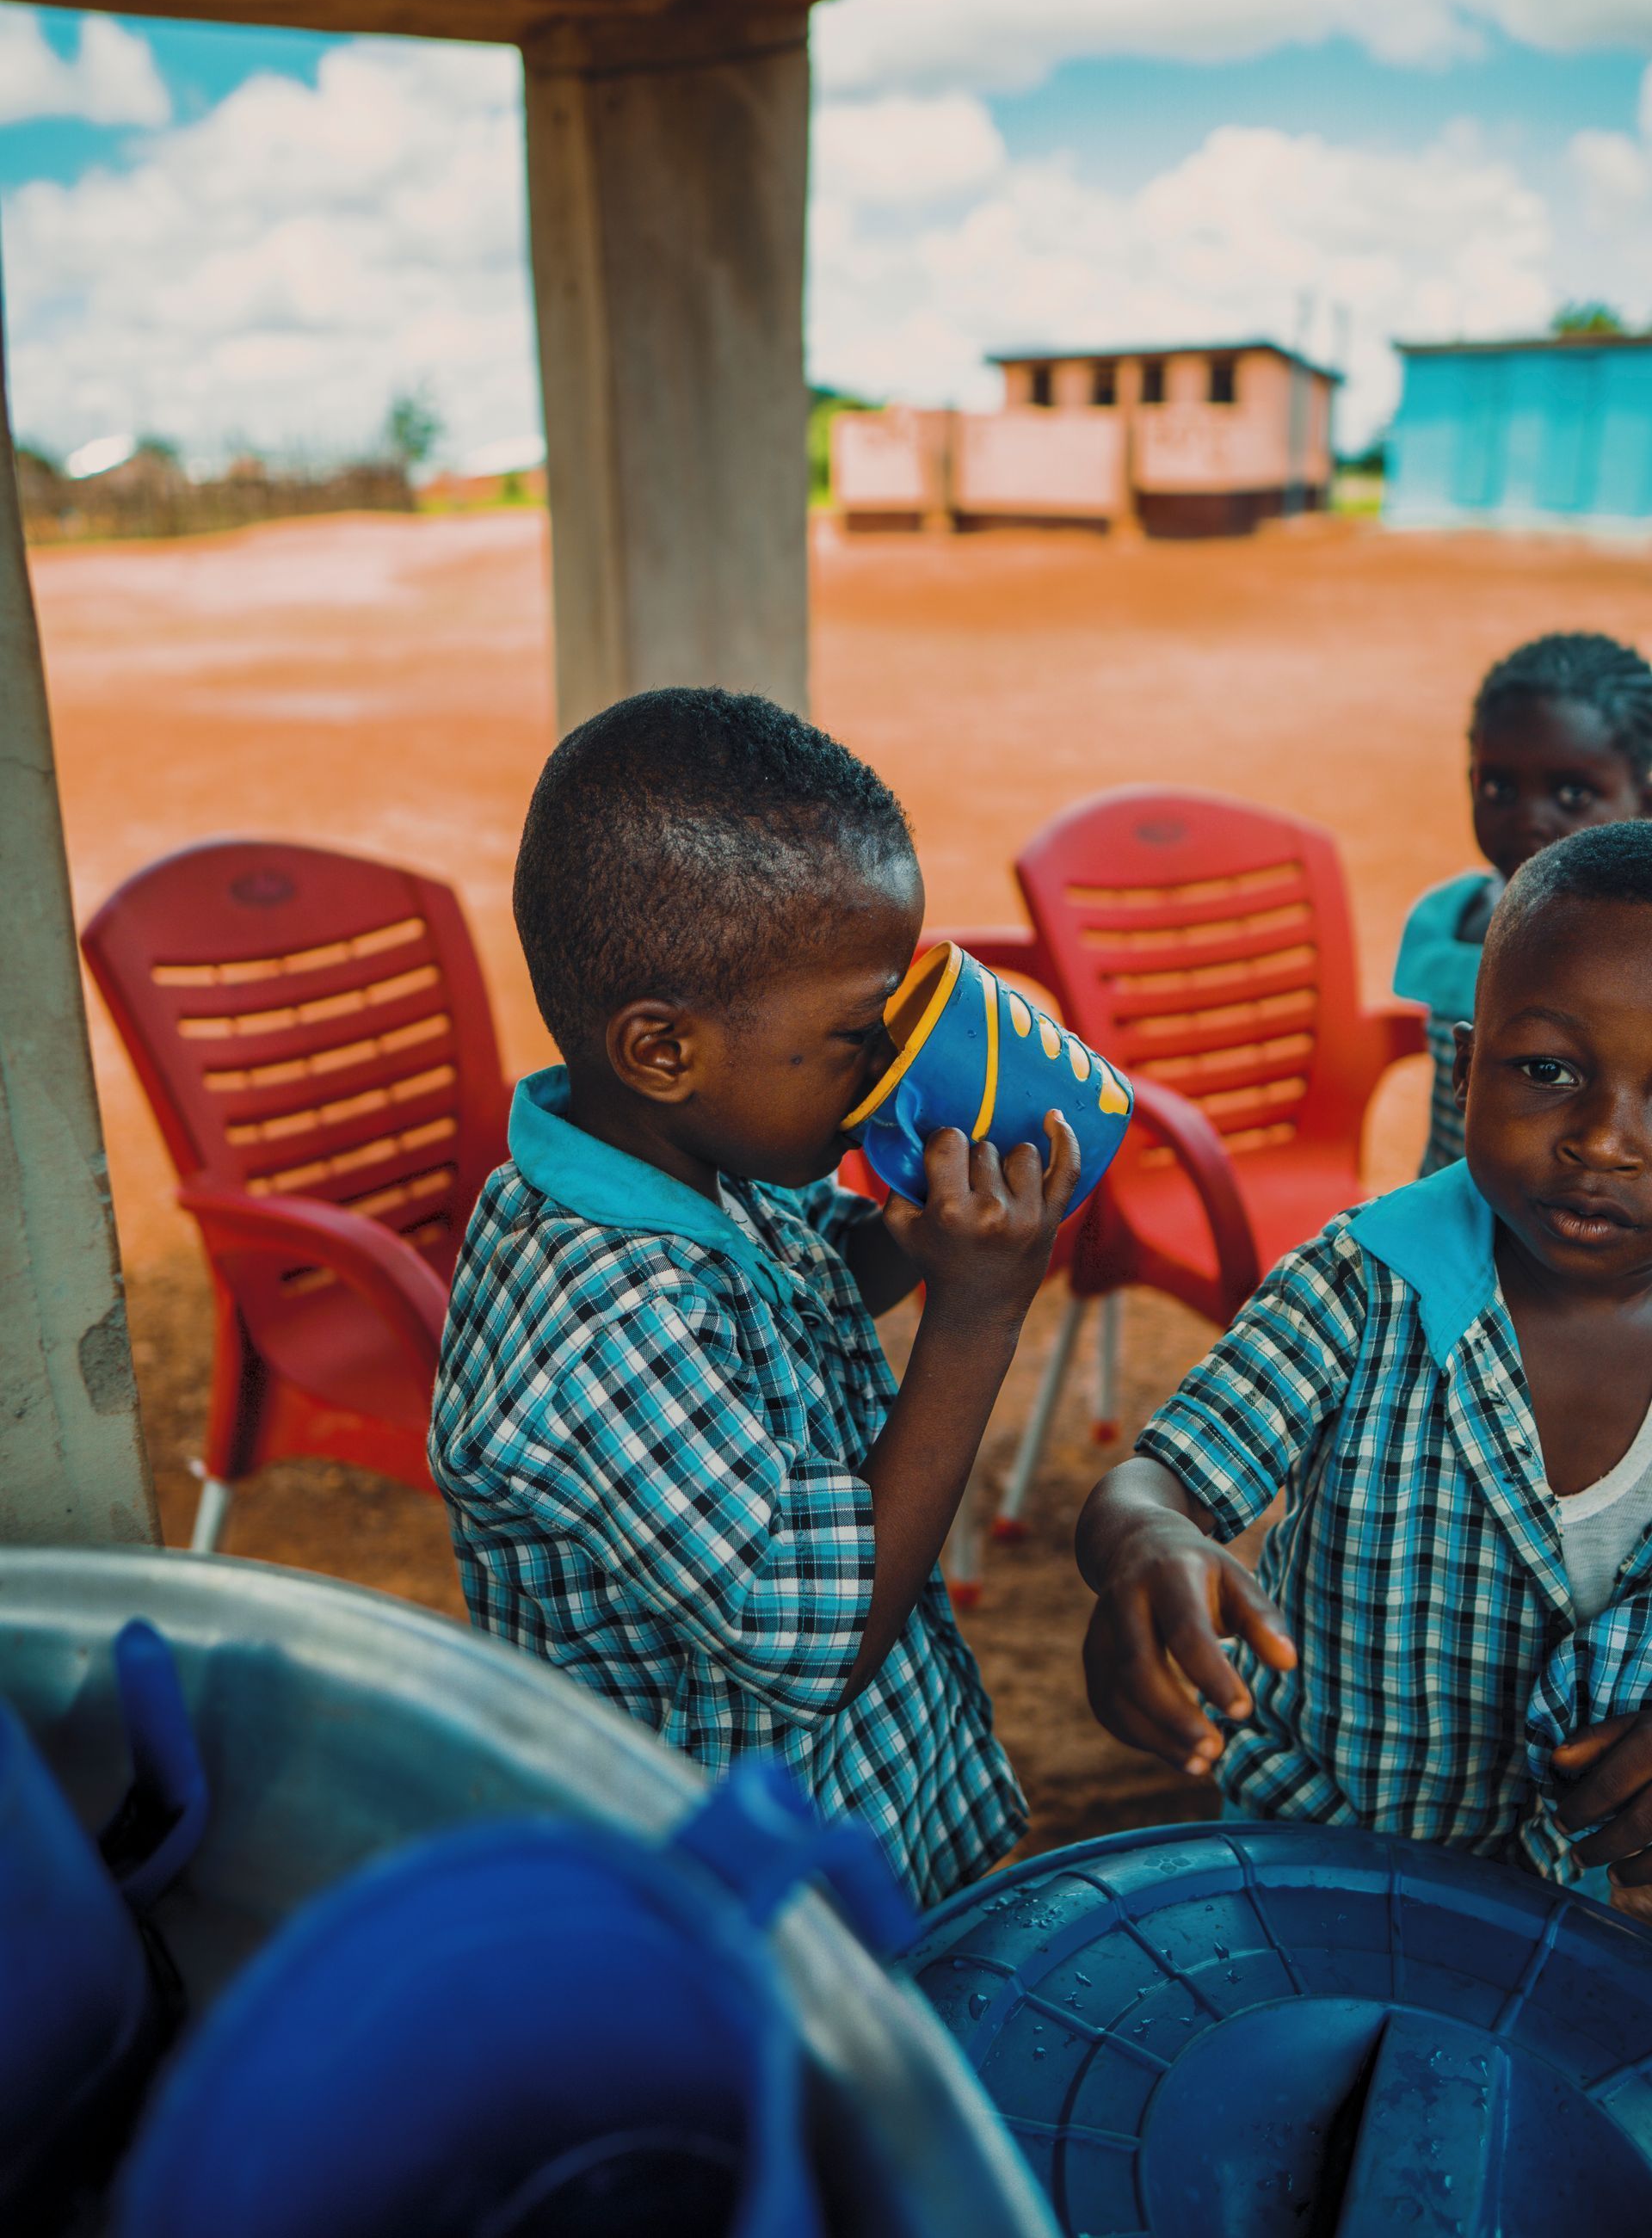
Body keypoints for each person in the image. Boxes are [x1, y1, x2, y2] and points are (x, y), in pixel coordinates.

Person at [430, 687, 1078, 1905]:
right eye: (857, 1035)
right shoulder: (603, 1330)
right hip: (728, 1914)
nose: (888, 1061)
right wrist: (979, 1313)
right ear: (664, 1049)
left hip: (853, 1814)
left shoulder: (695, 1156)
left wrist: (930, 1231)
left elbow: (824, 1262)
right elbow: (821, 1634)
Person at [1078, 819, 1652, 1909]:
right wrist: (1146, 1542)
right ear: (1467, 1055)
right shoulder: (1362, 1284)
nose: (1604, 1139)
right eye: (1546, 1070)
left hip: (1597, 1913)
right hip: (1325, 1870)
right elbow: (1158, 1482)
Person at [1396, 631, 1652, 1175]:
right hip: (1453, 1210)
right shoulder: (1455, 917)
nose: (1529, 818)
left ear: (1646, 802)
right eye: (1499, 789)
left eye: (1573, 793)